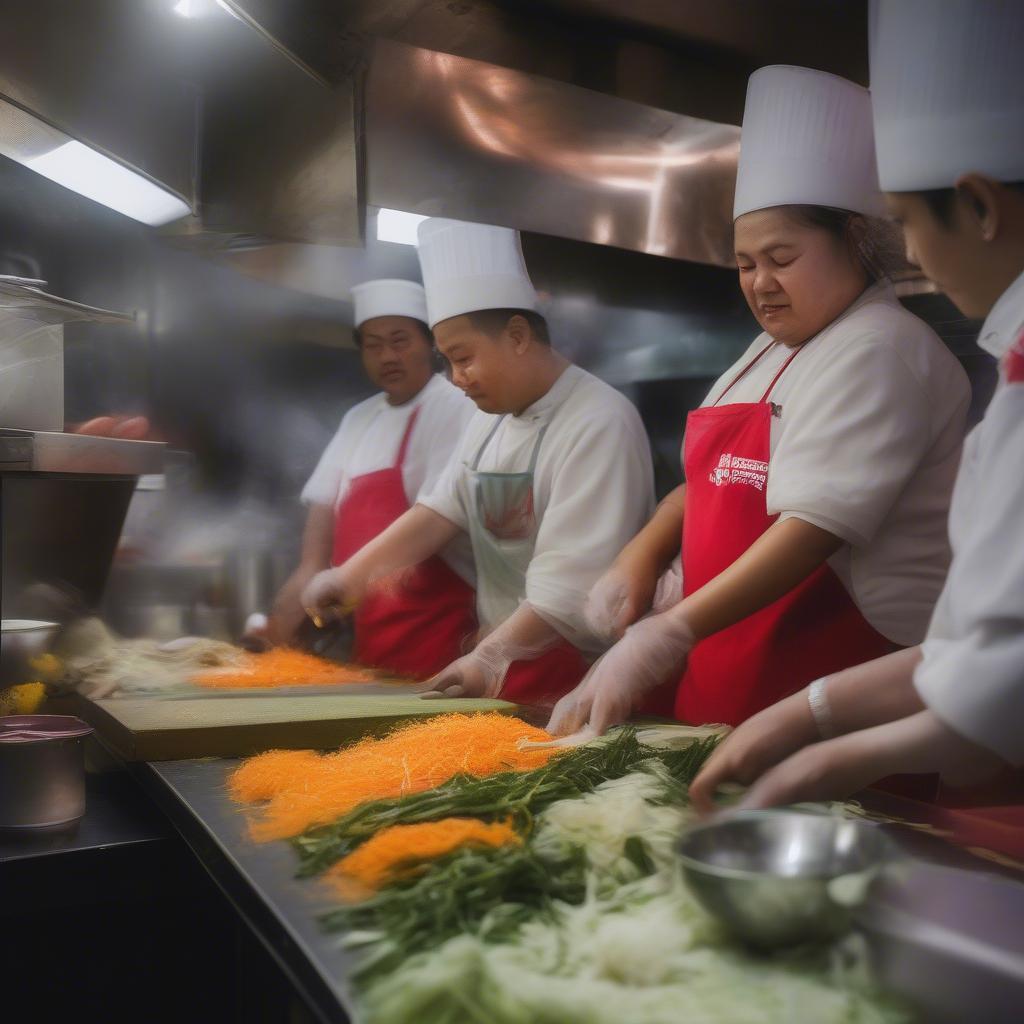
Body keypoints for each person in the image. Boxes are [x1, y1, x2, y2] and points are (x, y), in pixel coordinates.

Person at [548, 65, 971, 740]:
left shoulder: (881, 348)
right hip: (729, 674)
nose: (760, 284)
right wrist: (644, 553)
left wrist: (670, 631)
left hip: (831, 683)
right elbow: (707, 485)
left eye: (781, 258)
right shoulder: (764, 353)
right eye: (746, 264)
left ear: (855, 241)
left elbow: (812, 530)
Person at [689, 0, 1024, 813]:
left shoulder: (887, 348)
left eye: (905, 221)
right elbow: (984, 650)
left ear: (981, 207)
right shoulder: (1009, 363)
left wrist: (832, 744)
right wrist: (811, 718)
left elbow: (1003, 670)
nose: (911, 252)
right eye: (745, 264)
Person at [303, 219, 654, 705]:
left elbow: (569, 590)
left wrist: (490, 657)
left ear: (518, 335)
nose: (455, 378)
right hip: (510, 666)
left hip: (579, 680)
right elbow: (441, 510)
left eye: (463, 358)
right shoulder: (491, 419)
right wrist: (351, 577)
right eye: (447, 361)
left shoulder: (599, 421)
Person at [259, 278, 477, 680]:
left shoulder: (455, 406)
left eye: (400, 341)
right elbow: (313, 560)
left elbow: (437, 521)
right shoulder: (358, 419)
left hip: (444, 639)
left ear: (430, 343)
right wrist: (271, 642)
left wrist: (349, 576)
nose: (387, 356)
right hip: (373, 648)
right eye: (373, 345)